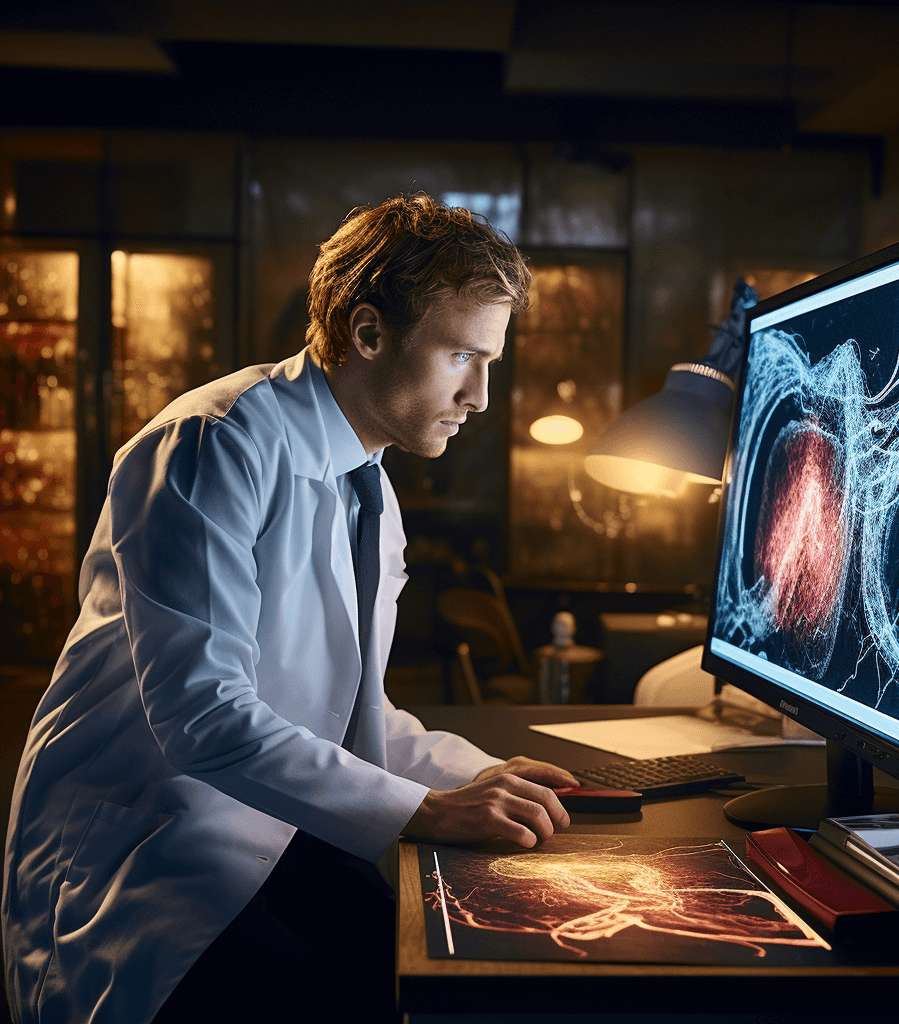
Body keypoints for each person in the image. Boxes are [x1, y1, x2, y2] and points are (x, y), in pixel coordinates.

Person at [2, 194, 579, 1024]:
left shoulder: (369, 484)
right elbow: (202, 716)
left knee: (441, 983)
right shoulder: (212, 442)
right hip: (159, 855)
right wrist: (429, 809)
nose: (481, 396)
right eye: (461, 356)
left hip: (275, 832)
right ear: (368, 332)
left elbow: (347, 706)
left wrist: (473, 773)